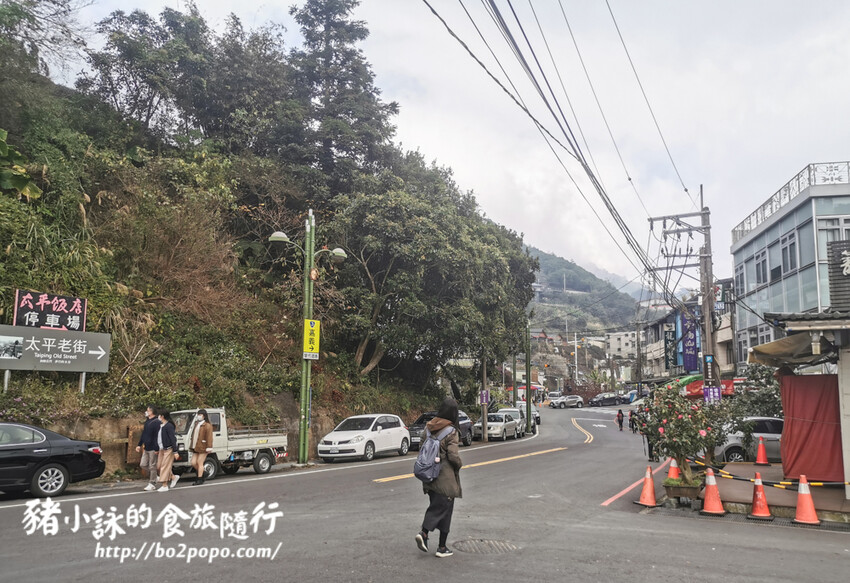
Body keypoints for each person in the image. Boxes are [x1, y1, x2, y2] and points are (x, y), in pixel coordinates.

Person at [416, 397, 463, 558]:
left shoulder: (428, 428)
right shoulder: (451, 431)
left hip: (428, 476)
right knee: (441, 508)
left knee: (442, 508)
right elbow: (453, 456)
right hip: (445, 478)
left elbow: (421, 447)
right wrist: (459, 465)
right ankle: (424, 533)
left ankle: (442, 547)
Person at [135, 405, 160, 491]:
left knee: (152, 465)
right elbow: (144, 434)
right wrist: (139, 444)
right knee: (143, 464)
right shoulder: (147, 422)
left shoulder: (156, 422)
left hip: (153, 447)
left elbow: (157, 436)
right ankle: (155, 476)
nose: (146, 412)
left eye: (148, 410)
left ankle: (152, 483)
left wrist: (157, 448)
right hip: (146, 447)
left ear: (152, 412)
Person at [155, 409, 180, 492]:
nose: (158, 417)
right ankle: (173, 477)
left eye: (159, 415)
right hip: (162, 448)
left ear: (162, 416)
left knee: (165, 466)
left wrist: (175, 451)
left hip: (169, 448)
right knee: (159, 466)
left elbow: (173, 439)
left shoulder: (169, 426)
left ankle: (164, 485)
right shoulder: (161, 425)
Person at [189, 409, 214, 485]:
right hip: (196, 446)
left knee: (200, 462)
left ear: (204, 416)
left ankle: (199, 479)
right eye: (198, 415)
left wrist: (209, 447)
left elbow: (209, 437)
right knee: (193, 462)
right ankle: (204, 473)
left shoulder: (207, 425)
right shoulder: (197, 424)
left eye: (200, 415)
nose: (198, 416)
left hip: (203, 447)